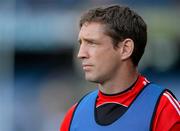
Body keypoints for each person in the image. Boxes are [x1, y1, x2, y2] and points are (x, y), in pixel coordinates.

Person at [60, 4, 180, 131]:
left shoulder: (163, 109)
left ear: (125, 49)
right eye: (81, 43)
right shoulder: (74, 116)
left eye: (92, 43)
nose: (81, 54)